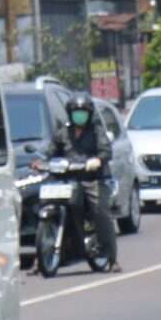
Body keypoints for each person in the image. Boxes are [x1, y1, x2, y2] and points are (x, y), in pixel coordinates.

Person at [49, 91, 120, 272]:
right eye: (76, 112)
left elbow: (106, 151)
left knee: (101, 212)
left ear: (89, 114)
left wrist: (97, 160)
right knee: (47, 205)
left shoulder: (96, 131)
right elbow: (51, 152)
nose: (79, 116)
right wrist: (41, 162)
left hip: (93, 179)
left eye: (83, 113)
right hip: (69, 181)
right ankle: (40, 258)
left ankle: (112, 258)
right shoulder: (62, 133)